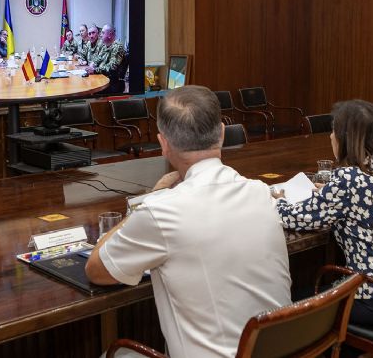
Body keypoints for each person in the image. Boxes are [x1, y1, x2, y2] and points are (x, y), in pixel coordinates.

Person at [86, 85, 292, 358]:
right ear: (221, 133)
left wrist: (151, 199)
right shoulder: (260, 192)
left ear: (163, 144)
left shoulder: (160, 210)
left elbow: (97, 270)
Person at [273, 99, 373, 326]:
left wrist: (278, 201)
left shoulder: (348, 179)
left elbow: (295, 217)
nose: (330, 136)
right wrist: (329, 193)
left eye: (333, 131)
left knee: (294, 305)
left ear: (346, 138)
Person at [85, 24, 126, 93]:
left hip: (111, 82)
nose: (100, 35)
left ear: (110, 35)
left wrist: (95, 70)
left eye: (103, 33)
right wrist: (92, 65)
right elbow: (97, 58)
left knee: (87, 88)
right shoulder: (105, 46)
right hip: (101, 77)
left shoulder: (118, 47)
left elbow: (112, 67)